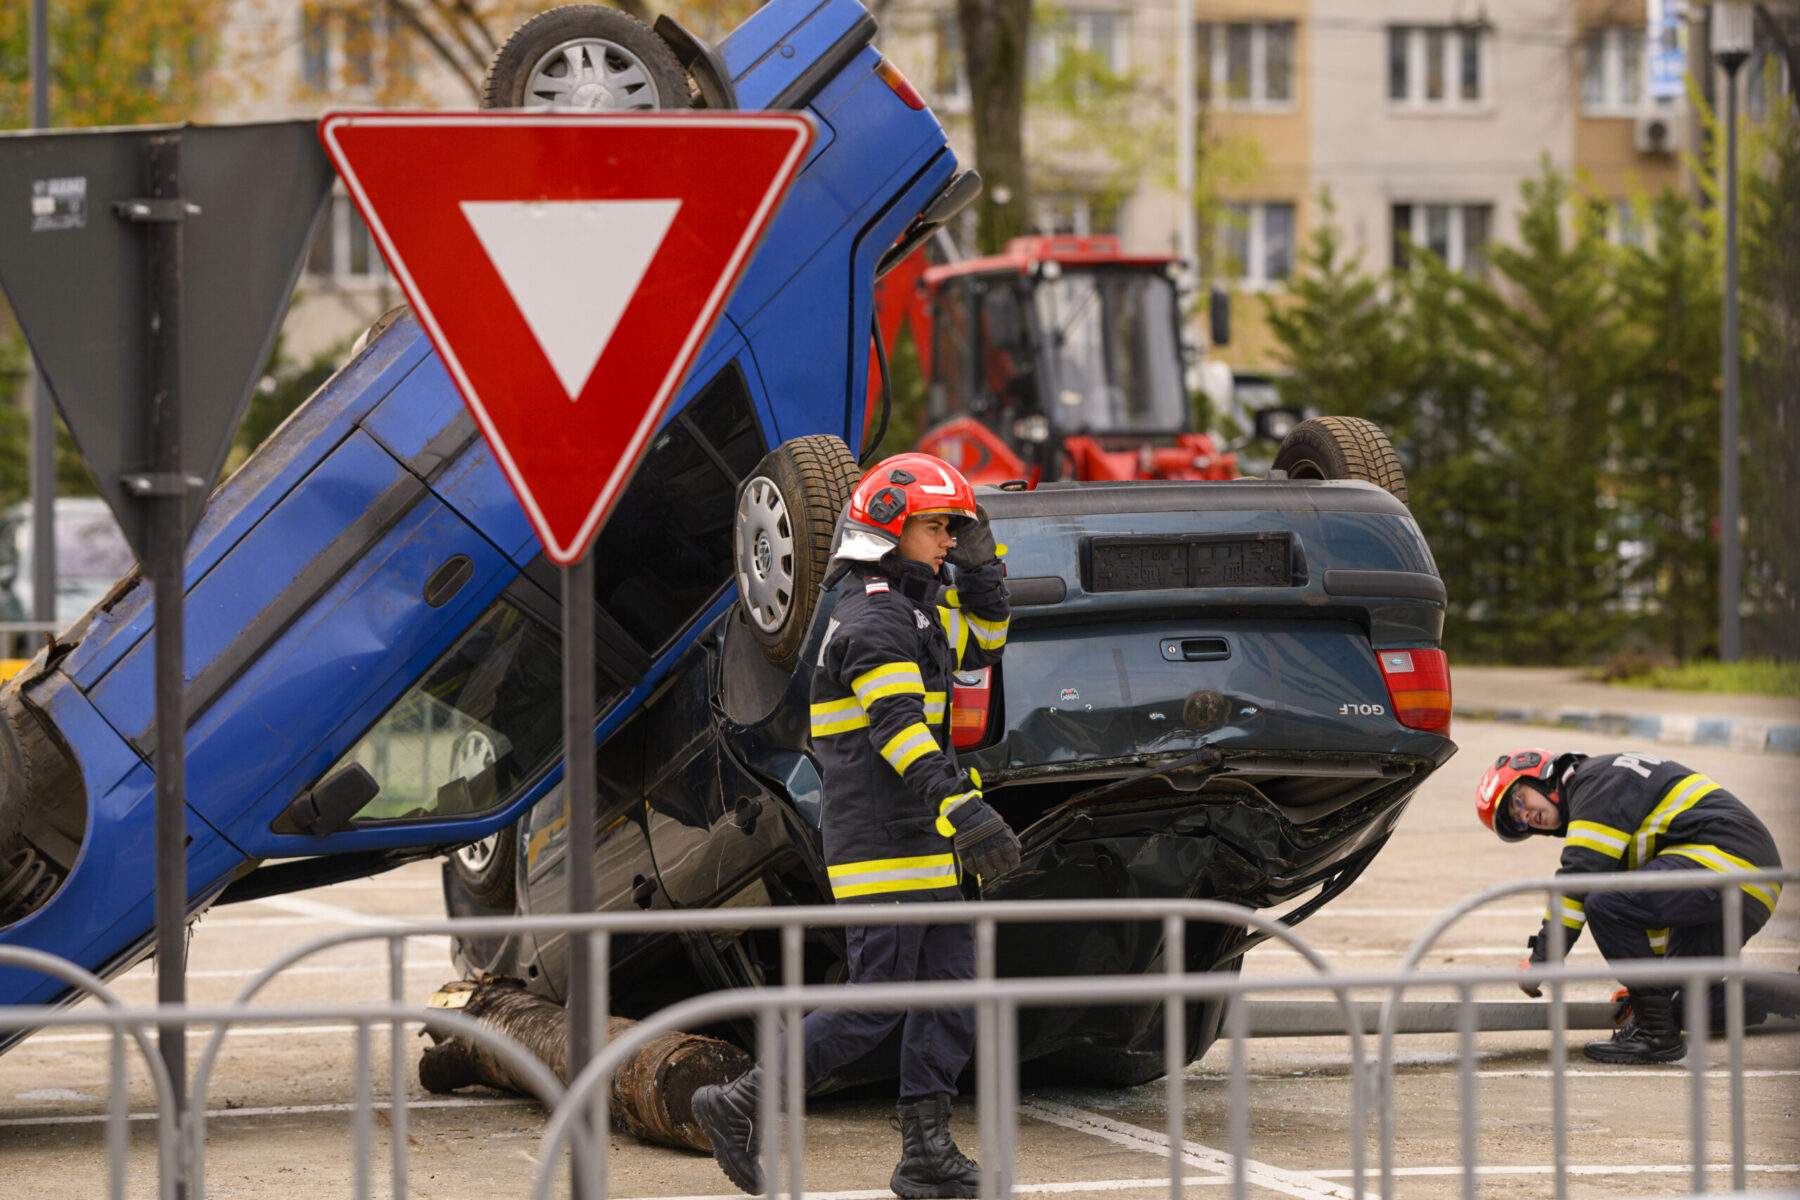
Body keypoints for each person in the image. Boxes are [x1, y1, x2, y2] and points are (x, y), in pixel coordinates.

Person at [693, 453, 1020, 1198]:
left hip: (922, 838)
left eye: (952, 530)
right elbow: (900, 731)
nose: (947, 541)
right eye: (937, 528)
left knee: (953, 992)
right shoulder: (872, 617)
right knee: (877, 999)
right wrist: (965, 811)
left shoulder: (912, 609)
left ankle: (926, 1152)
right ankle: (740, 1103)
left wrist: (982, 570)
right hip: (883, 842)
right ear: (887, 529)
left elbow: (986, 647)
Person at [1476, 746, 1793, 1064]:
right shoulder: (1605, 805)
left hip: (1727, 864)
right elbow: (1647, 914)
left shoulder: (1596, 784)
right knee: (1683, 1009)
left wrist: (1542, 959)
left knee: (1603, 902)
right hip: (1749, 882)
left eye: (1519, 801)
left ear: (1540, 775)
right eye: (1518, 822)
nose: (1526, 816)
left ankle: (1657, 1037)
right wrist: (1650, 990)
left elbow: (1576, 884)